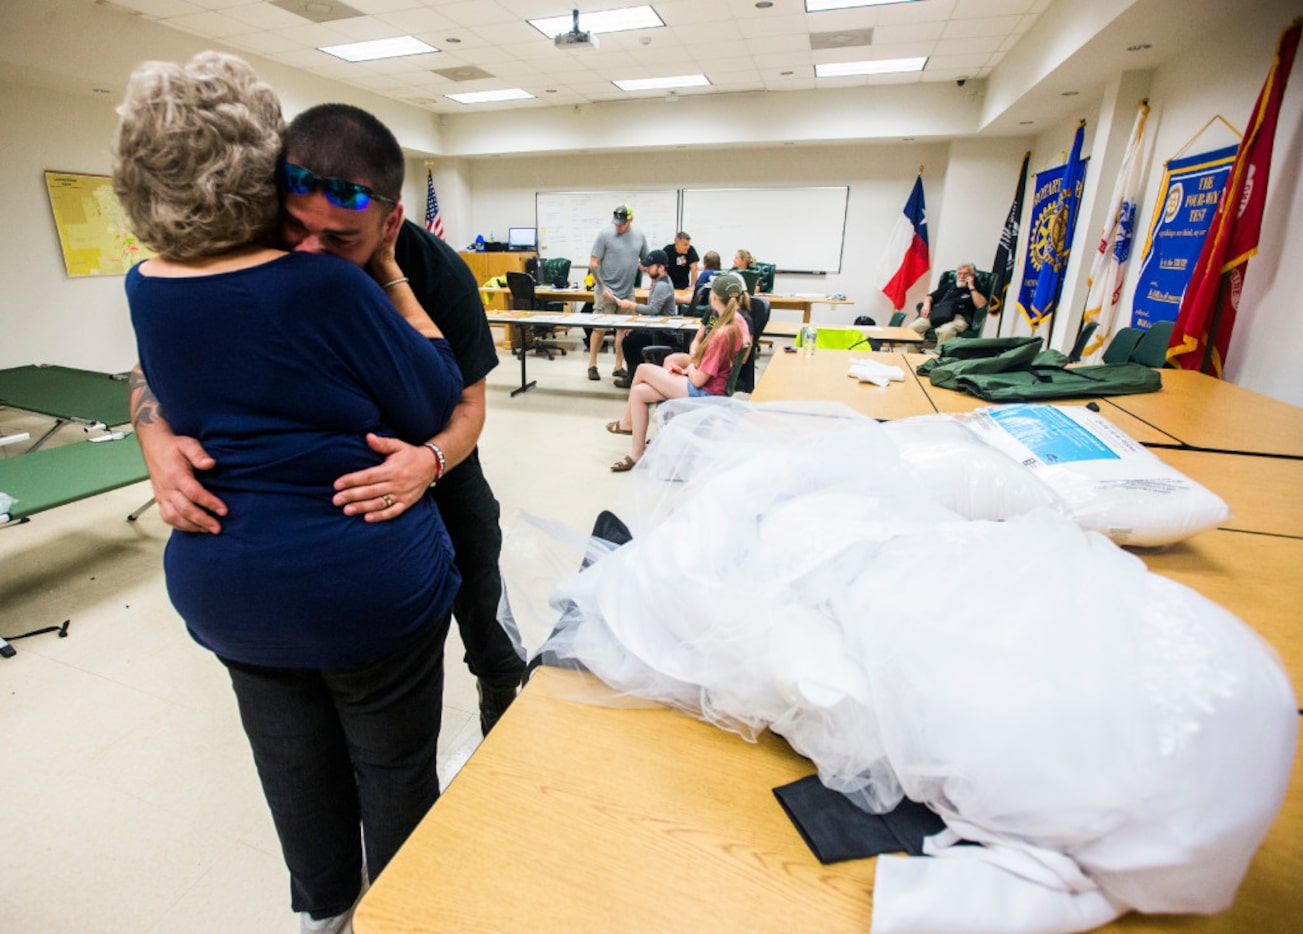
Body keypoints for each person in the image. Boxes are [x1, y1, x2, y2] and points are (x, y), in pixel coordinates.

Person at [114, 52, 463, 933]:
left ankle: (322, 915)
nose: (312, 239)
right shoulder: (322, 281)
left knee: (292, 768)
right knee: (389, 768)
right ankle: (402, 913)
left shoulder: (143, 284)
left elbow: (158, 378)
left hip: (229, 587)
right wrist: (380, 275)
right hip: (362, 585)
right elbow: (431, 393)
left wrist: (153, 429)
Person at [129, 102, 528, 735]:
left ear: (391, 220)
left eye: (341, 240)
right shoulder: (251, 246)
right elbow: (158, 356)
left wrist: (429, 461)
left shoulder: (439, 272)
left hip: (442, 470)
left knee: (481, 590)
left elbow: (470, 406)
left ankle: (501, 697)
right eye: (297, 230)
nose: (312, 253)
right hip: (325, 516)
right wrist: (154, 437)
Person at [605, 272, 751, 472]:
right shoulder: (738, 322)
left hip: (705, 392)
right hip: (710, 385)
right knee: (639, 392)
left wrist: (688, 368)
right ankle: (636, 454)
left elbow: (699, 380)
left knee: (642, 369)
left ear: (714, 297)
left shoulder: (722, 333)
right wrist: (688, 370)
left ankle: (628, 423)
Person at [587, 203, 648, 382]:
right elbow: (594, 262)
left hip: (627, 292)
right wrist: (602, 285)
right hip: (604, 291)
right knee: (599, 329)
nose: (618, 226)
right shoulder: (604, 235)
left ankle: (618, 366)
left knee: (624, 331)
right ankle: (592, 365)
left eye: (622, 223)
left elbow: (646, 260)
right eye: (616, 223)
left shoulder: (639, 236)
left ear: (631, 220)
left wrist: (651, 278)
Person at [608, 249, 677, 389]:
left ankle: (633, 378)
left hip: (662, 333)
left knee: (628, 342)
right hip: (656, 327)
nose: (646, 269)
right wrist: (637, 325)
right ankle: (638, 376)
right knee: (631, 335)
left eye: (650, 266)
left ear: (661, 267)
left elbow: (653, 310)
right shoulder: (658, 282)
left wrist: (631, 305)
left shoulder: (662, 285)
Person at [911, 262, 988, 343]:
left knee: (945, 331)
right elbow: (930, 296)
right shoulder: (949, 286)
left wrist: (971, 287)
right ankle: (913, 355)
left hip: (958, 317)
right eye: (959, 274)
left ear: (972, 276)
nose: (962, 276)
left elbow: (981, 305)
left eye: (966, 274)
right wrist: (926, 305)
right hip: (940, 314)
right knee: (913, 328)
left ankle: (941, 355)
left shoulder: (977, 289)